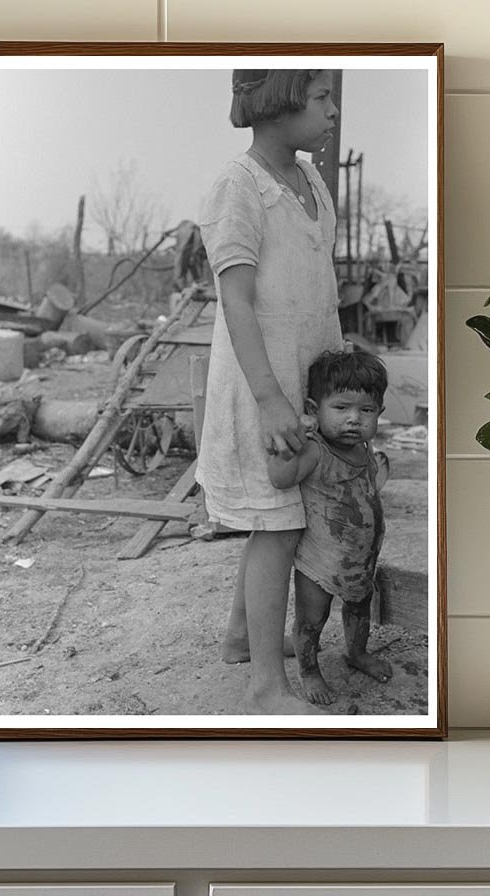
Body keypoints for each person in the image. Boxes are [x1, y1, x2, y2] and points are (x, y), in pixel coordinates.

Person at [195, 68, 341, 715]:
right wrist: (271, 398)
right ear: (281, 103)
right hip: (264, 384)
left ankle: (238, 638)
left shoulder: (310, 183)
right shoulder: (239, 186)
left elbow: (321, 292)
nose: (332, 110)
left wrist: (336, 384)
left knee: (279, 519)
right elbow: (238, 299)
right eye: (322, 97)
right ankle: (264, 686)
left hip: (307, 378)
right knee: (276, 524)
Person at [266, 350, 391, 706]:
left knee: (359, 609)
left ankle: (356, 652)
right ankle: (309, 670)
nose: (354, 420)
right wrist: (284, 449)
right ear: (313, 409)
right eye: (341, 408)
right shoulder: (316, 451)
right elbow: (280, 479)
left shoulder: (364, 448)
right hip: (319, 564)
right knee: (312, 619)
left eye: (366, 411)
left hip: (359, 559)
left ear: (379, 413)